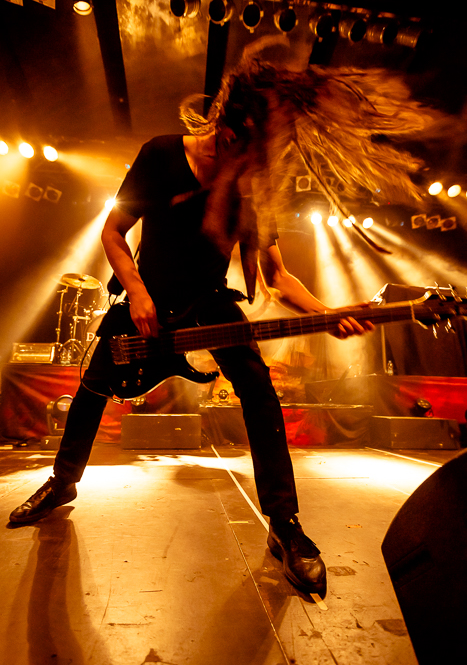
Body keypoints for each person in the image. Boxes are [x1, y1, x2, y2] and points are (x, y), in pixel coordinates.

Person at [9, 55, 432, 598]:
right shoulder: (162, 155)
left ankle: (285, 524)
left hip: (210, 303)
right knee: (93, 386)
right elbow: (114, 232)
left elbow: (277, 276)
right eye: (243, 147)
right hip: (147, 300)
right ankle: (62, 482)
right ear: (225, 127)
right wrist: (137, 294)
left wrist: (326, 315)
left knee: (258, 388)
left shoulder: (254, 184)